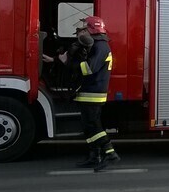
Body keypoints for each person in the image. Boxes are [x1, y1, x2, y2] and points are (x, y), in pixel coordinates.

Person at [44, 16, 119, 171]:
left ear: (92, 30)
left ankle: (110, 154)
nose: (79, 31)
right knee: (88, 126)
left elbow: (88, 68)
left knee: (94, 125)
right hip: (87, 92)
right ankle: (94, 156)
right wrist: (56, 60)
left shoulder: (101, 47)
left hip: (94, 93)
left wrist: (67, 63)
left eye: (83, 29)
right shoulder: (94, 45)